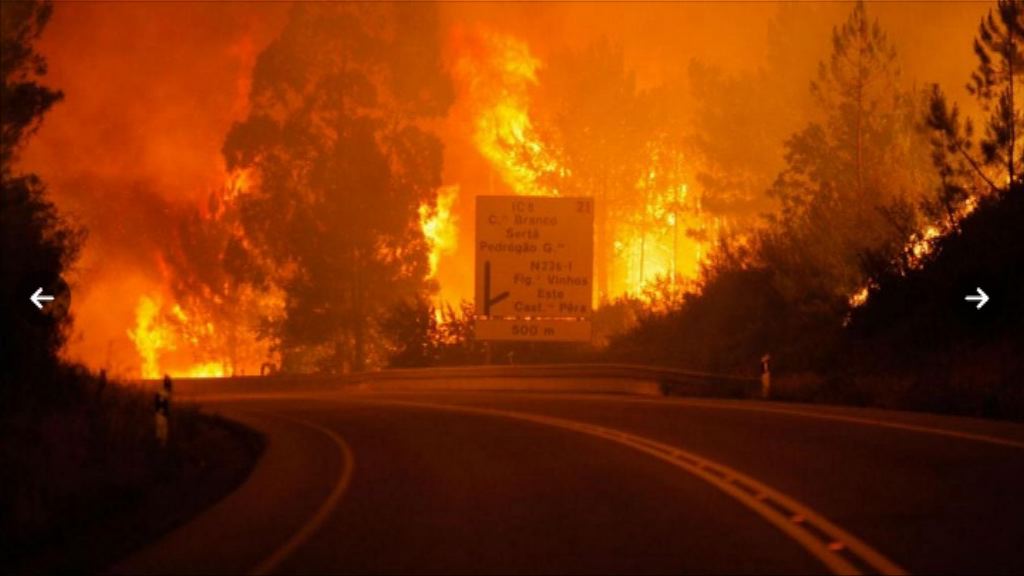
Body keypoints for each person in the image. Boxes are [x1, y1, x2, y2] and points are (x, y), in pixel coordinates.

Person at [155, 374, 172, 447]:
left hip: (161, 415)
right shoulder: (163, 394)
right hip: (161, 415)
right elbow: (160, 403)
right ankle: (161, 447)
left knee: (161, 433)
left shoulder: (162, 393)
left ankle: (160, 447)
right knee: (162, 434)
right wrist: (161, 410)